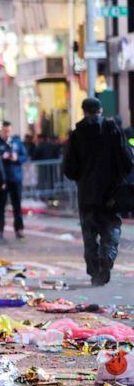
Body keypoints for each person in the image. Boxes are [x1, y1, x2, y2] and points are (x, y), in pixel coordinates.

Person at [64, 97, 134, 286]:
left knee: (89, 232)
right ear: (100, 111)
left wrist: (82, 176)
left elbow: (69, 168)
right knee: (111, 226)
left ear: (84, 111)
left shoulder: (77, 134)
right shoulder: (113, 130)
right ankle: (108, 254)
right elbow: (127, 160)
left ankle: (94, 268)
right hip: (111, 191)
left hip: (87, 192)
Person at [0, 121, 29, 239]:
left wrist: (17, 158)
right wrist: (2, 157)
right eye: (4, 130)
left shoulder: (17, 142)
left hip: (15, 177)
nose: (6, 133)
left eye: (8, 130)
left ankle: (19, 229)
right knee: (0, 205)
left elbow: (25, 156)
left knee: (17, 205)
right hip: (2, 179)